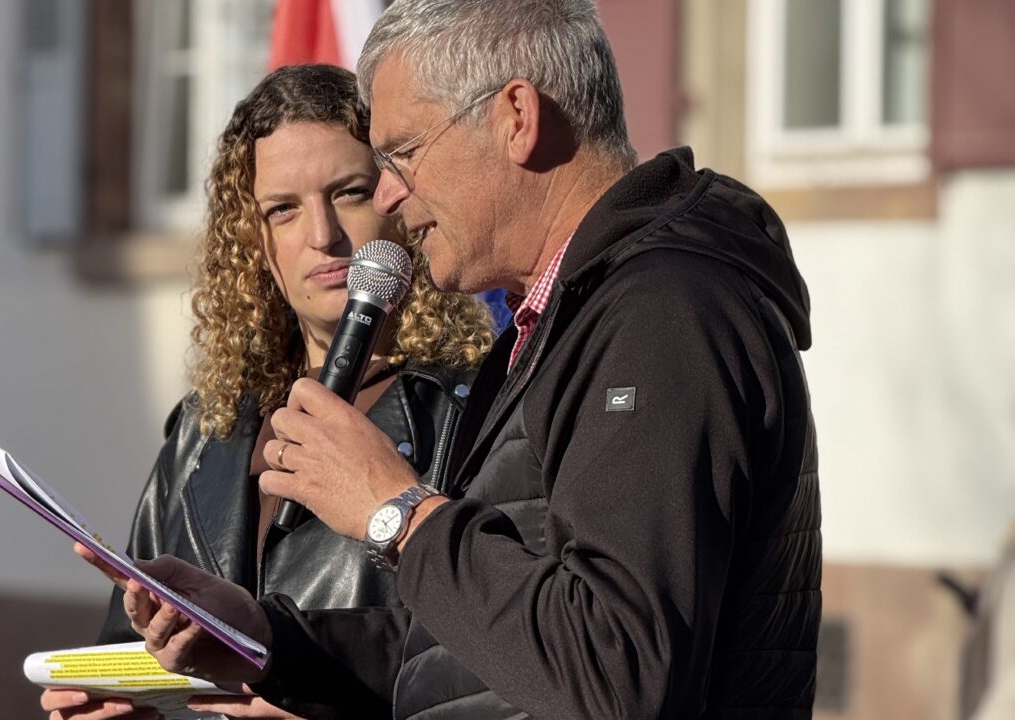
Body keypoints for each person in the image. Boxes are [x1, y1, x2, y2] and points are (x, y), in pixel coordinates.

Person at [103, 0, 823, 718]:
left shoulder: (664, 311)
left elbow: (617, 671)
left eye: (404, 153)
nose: (389, 192)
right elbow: (475, 660)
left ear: (517, 116)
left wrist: (396, 513)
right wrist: (270, 644)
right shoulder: (564, 322)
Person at [41, 63, 493, 720]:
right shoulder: (208, 428)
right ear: (256, 242)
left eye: (349, 192)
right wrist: (122, 707)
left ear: (398, 197)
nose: (323, 236)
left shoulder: (473, 408)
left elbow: (493, 674)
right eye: (284, 209)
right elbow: (132, 648)